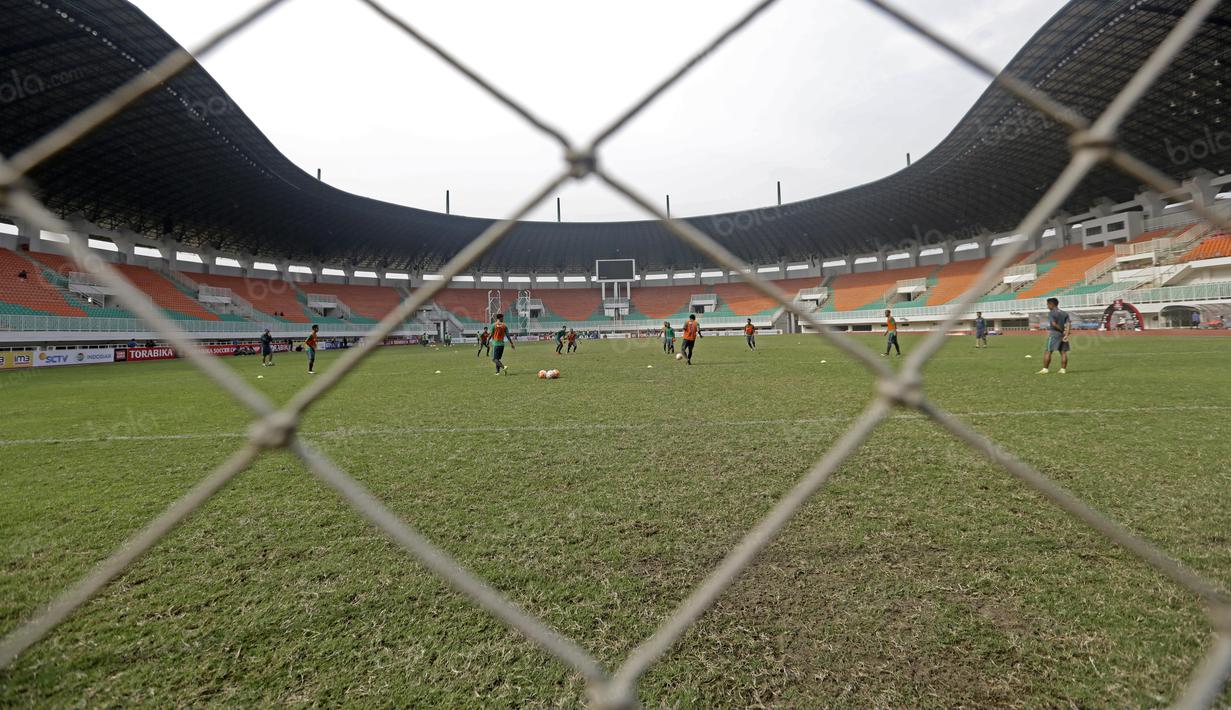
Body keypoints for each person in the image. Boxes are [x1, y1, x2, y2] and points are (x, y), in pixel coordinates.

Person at [1037, 298, 1071, 375]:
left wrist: (1061, 330)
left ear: (1051, 304)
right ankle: (1063, 370)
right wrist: (1066, 334)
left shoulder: (1051, 313)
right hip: (1063, 335)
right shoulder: (1064, 313)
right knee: (1063, 352)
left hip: (1054, 334)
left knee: (1048, 351)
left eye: (1047, 304)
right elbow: (1068, 324)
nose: (1047, 306)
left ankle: (1045, 369)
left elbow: (1054, 324)